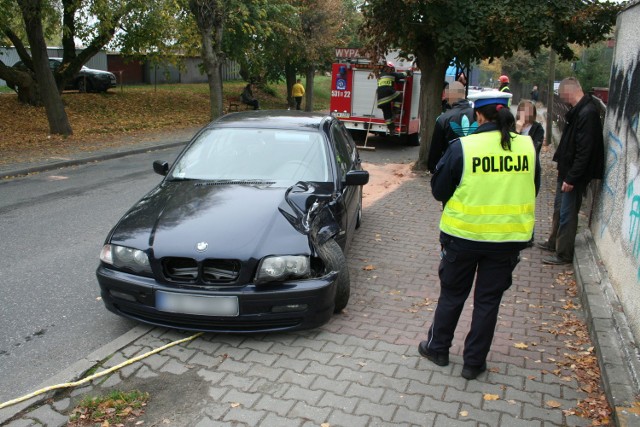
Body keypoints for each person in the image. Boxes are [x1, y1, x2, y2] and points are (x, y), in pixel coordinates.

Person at [419, 91, 540, 380]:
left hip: (462, 236)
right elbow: (533, 188)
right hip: (507, 239)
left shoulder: (464, 146)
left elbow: (439, 191)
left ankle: (438, 348)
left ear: (479, 115)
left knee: (452, 294)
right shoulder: (527, 146)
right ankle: (473, 363)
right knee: (488, 301)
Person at [537, 77, 605, 265]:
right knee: (560, 209)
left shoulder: (587, 113)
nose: (561, 98)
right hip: (566, 171)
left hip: (573, 175)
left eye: (561, 94)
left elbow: (585, 150)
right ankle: (554, 243)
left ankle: (563, 253)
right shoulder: (580, 111)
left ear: (569, 91)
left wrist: (572, 178)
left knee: (567, 212)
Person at [427, 81, 477, 173]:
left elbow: (435, 150)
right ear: (464, 94)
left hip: (451, 169)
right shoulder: (479, 116)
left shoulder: (443, 119)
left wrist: (433, 168)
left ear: (446, 95)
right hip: (475, 167)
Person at [376, 62, 405, 135]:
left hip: (380, 98)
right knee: (399, 96)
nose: (392, 70)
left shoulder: (380, 75)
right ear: (388, 68)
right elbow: (401, 75)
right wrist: (408, 72)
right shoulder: (391, 74)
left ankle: (392, 129)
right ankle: (395, 110)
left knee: (387, 113)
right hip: (388, 93)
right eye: (391, 69)